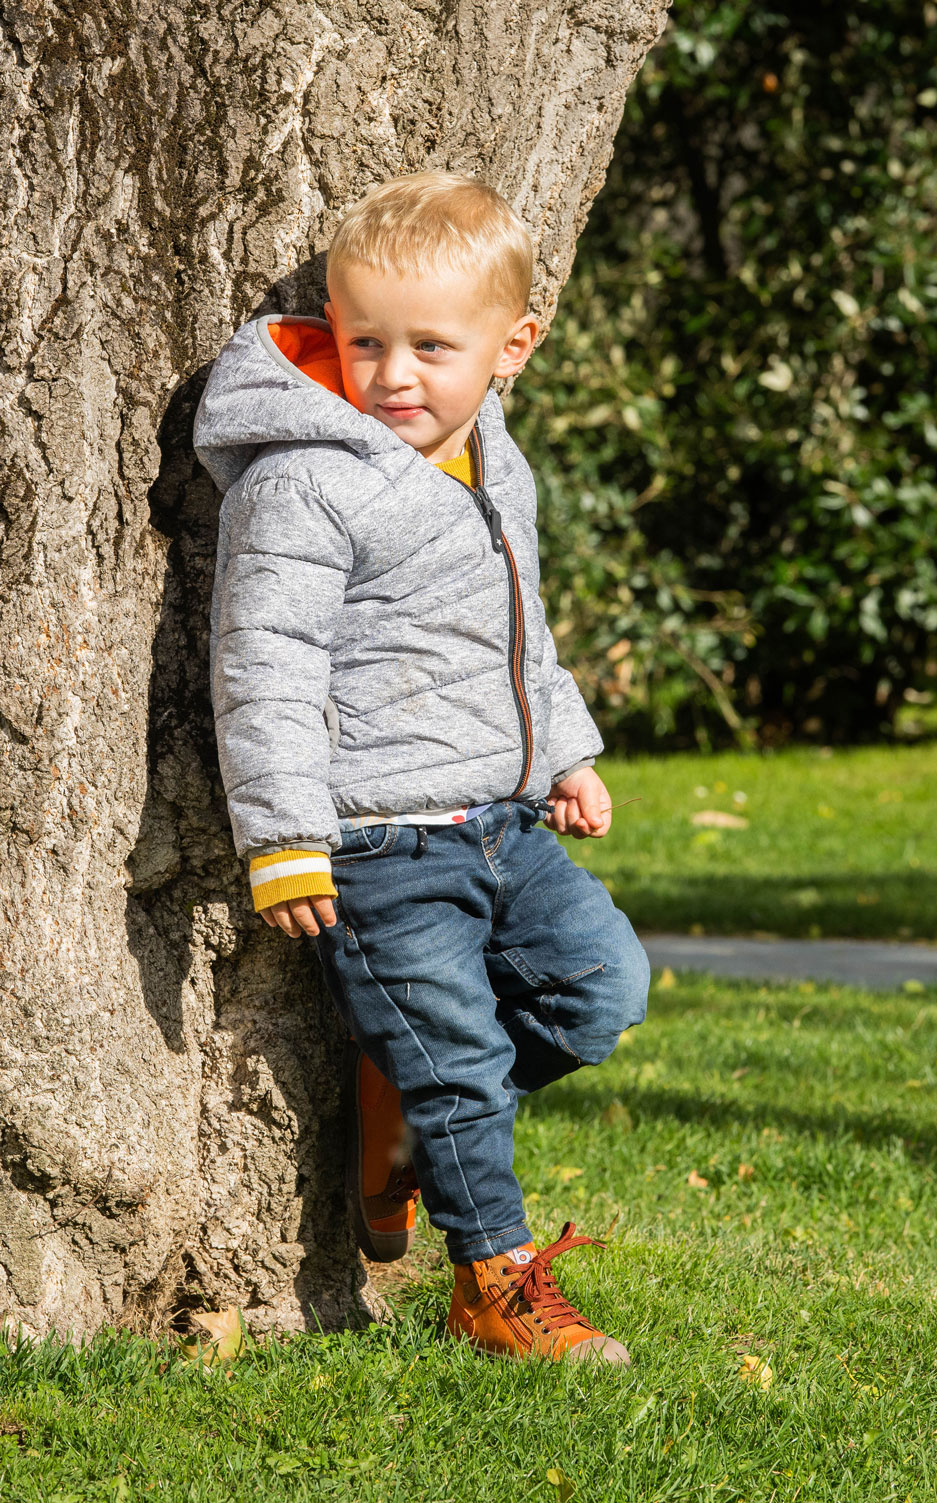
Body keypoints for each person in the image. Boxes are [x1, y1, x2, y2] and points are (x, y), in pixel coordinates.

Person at [194, 171, 651, 1363]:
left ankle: (406, 1102)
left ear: (514, 347)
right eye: (365, 343)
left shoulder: (498, 464)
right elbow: (264, 665)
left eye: (430, 347)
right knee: (459, 1061)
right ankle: (491, 1286)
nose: (393, 375)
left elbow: (518, 630)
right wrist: (282, 837)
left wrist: (566, 748)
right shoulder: (307, 480)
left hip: (504, 824)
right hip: (382, 843)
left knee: (603, 989)